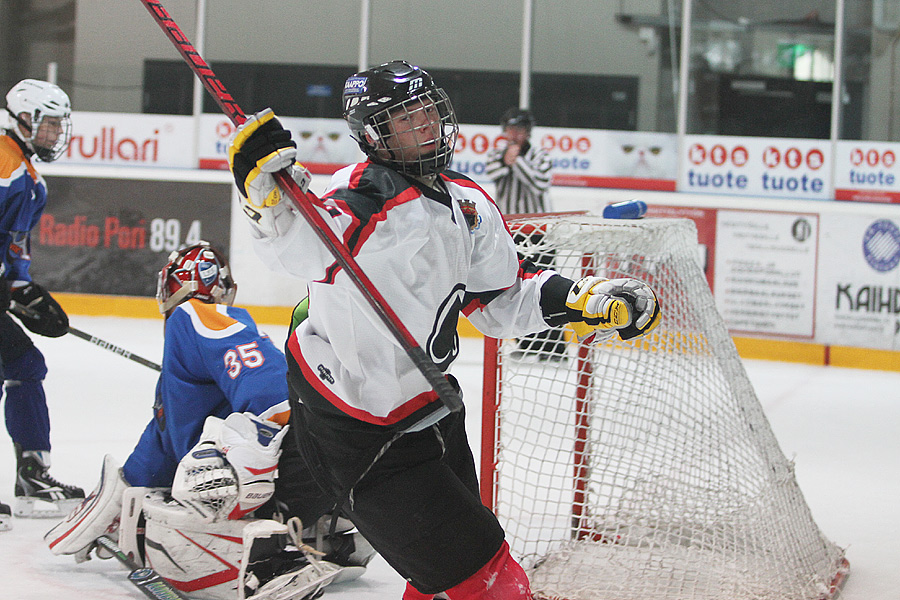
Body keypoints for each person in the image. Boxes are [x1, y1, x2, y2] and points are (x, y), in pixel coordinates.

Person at [225, 60, 661, 600]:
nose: (426, 125)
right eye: (407, 119)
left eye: (429, 110)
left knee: (449, 578)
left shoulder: (466, 200)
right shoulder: (365, 194)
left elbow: (500, 295)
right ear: (373, 135)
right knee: (490, 581)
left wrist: (583, 300)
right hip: (361, 431)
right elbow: (306, 241)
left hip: (431, 409)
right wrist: (266, 196)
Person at [44, 242, 373, 600]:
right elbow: (157, 453)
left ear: (172, 286)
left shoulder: (193, 318)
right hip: (328, 466)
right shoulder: (176, 385)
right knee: (175, 490)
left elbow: (272, 391)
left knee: (196, 485)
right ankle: (320, 530)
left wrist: (250, 454)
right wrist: (114, 499)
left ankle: (263, 559)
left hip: (300, 455)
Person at [0, 78, 83, 528]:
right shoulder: (2, 164)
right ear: (25, 119)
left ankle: (32, 475)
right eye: (49, 125)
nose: (55, 134)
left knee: (25, 366)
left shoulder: (28, 177)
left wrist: (20, 288)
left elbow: (11, 246)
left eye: (58, 126)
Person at [484, 108, 566, 360]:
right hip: (512, 232)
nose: (514, 134)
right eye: (510, 129)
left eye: (518, 130)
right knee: (517, 287)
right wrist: (508, 161)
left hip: (540, 232)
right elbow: (494, 174)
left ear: (528, 132)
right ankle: (527, 344)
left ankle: (554, 349)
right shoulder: (496, 154)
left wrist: (516, 161)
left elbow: (539, 183)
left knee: (547, 286)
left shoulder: (540, 155)